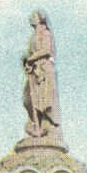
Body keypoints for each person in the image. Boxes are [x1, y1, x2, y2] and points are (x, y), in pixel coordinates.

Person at [22, 10, 62, 140]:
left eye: (34, 16)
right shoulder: (33, 36)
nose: (31, 18)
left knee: (44, 101)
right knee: (28, 100)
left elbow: (46, 50)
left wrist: (31, 59)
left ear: (40, 19)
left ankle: (45, 126)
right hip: (34, 71)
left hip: (44, 71)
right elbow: (29, 55)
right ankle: (35, 125)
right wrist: (28, 62)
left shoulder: (46, 34)